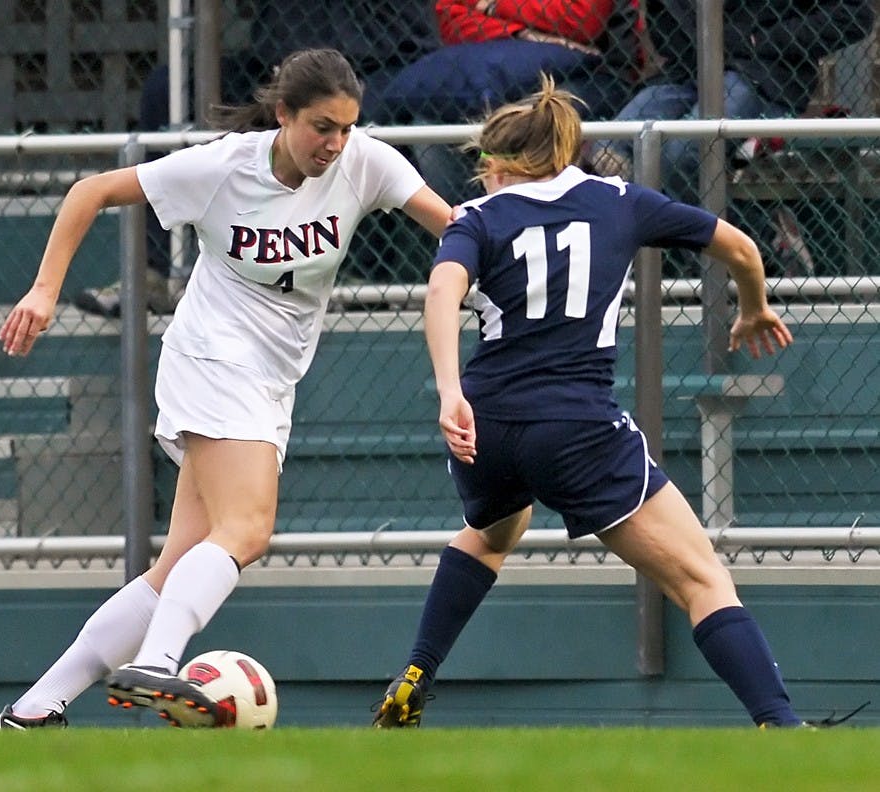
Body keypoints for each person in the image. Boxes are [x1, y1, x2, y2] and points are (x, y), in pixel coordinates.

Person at [0, 47, 452, 729]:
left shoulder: (366, 163)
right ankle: (158, 663)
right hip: (211, 358)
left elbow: (453, 228)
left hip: (271, 380)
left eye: (347, 127)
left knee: (177, 566)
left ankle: (33, 709)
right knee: (247, 527)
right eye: (322, 126)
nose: (335, 143)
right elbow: (90, 192)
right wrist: (43, 290)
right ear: (284, 114)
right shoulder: (223, 167)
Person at [372, 75, 808, 729]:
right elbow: (741, 247)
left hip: (488, 424)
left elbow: (441, 292)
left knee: (493, 533)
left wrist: (449, 391)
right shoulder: (617, 200)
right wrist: (753, 306)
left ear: (499, 165)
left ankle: (416, 672)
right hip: (575, 425)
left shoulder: (478, 218)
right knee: (702, 580)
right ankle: (782, 724)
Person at [73, 0, 443, 316]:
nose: (338, 142)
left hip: (383, 65)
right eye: (328, 130)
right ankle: (152, 275)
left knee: (355, 119)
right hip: (279, 70)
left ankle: (357, 275)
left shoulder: (356, 142)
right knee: (164, 88)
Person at [590, 0, 875, 256]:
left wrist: (764, 40)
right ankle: (670, 264)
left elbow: (854, 16)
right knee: (609, 148)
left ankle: (757, 254)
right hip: (688, 73)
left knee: (685, 152)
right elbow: (666, 30)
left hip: (762, 74)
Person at [381, 0, 645, 204]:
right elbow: (449, 17)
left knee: (538, 117)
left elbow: (580, 18)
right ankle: (471, 230)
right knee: (430, 122)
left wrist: (495, 6)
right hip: (493, 70)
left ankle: (538, 230)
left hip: (587, 73)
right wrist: (524, 33)